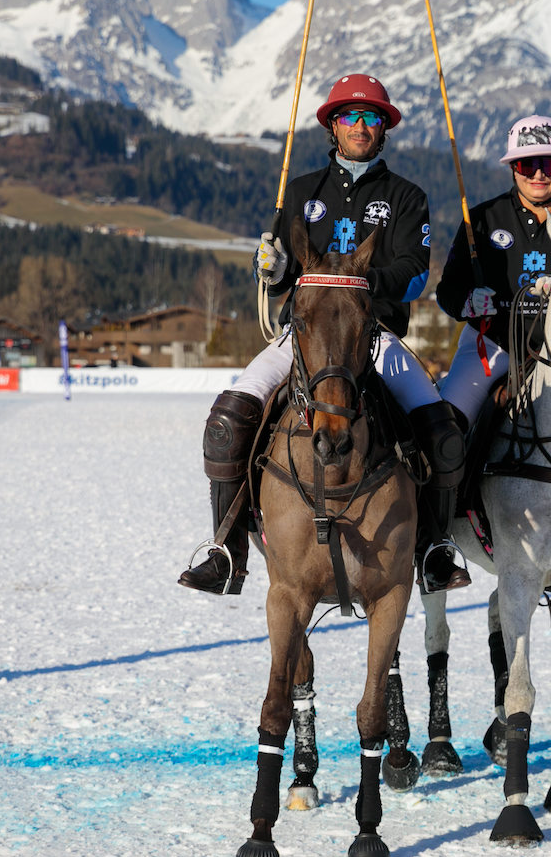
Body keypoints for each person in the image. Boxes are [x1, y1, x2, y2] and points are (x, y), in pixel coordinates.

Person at [179, 73, 469, 598]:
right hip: (305, 339)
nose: (361, 125)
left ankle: (435, 547)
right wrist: (269, 266)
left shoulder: (406, 196)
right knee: (228, 418)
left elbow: (415, 272)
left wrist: (359, 282)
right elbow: (285, 272)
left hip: (375, 338)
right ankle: (228, 550)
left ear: (385, 129)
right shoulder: (301, 190)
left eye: (372, 117)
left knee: (442, 433)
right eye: (351, 116)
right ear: (333, 125)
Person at [434, 114, 551, 426]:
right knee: (447, 425)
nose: (539, 174)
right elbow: (447, 290)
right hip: (492, 345)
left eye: (550, 164)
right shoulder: (480, 220)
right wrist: (467, 302)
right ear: (514, 168)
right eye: (528, 165)